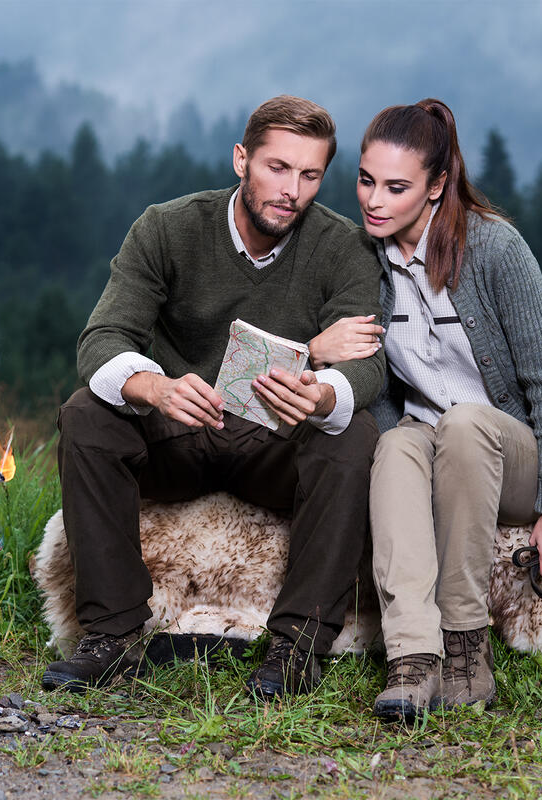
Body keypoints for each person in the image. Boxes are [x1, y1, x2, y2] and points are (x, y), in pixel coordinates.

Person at [43, 95, 386, 699]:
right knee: (86, 415)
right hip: (179, 430)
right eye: (277, 168)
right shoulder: (167, 227)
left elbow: (367, 363)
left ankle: (298, 646)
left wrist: (322, 393)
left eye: (310, 175)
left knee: (353, 431)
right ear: (240, 160)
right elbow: (104, 336)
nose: (292, 191)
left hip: (275, 439)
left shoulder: (343, 248)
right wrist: (153, 386)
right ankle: (113, 636)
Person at [309, 99, 542, 721]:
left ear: (438, 185)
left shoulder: (496, 250)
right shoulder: (367, 260)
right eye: (365, 180)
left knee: (463, 424)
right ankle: (413, 658)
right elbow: (376, 389)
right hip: (429, 447)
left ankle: (466, 642)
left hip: (507, 450)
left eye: (396, 186)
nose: (373, 200)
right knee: (396, 439)